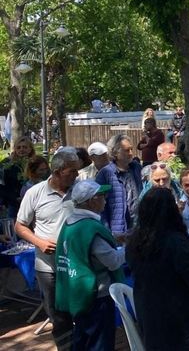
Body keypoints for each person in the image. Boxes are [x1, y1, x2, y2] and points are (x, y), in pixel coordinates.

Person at [126, 188, 189, 350]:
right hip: (181, 326)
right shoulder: (175, 242)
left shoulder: (134, 243)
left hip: (149, 320)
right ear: (171, 211)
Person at [15, 147, 80, 349]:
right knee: (58, 316)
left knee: (81, 311)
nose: (77, 175)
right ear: (58, 171)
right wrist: (40, 242)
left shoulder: (80, 190)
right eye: (72, 172)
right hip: (48, 267)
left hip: (77, 265)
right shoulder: (35, 193)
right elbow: (20, 226)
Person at [55, 180, 124, 351]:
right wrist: (130, 248)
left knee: (82, 339)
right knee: (100, 343)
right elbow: (113, 261)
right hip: (97, 296)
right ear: (90, 201)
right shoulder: (90, 228)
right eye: (101, 196)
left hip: (77, 294)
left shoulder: (70, 223)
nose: (105, 199)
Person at [96, 134, 143, 233]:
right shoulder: (105, 174)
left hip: (138, 226)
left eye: (131, 149)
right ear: (115, 153)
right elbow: (99, 207)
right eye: (126, 150)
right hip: (117, 230)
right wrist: (107, 231)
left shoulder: (137, 168)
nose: (131, 153)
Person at [0, 136, 35, 216]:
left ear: (30, 149)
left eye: (24, 147)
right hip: (13, 203)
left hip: (33, 201)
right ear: (15, 149)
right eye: (18, 147)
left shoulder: (36, 162)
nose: (21, 150)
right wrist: (14, 198)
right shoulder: (6, 164)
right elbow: (2, 185)